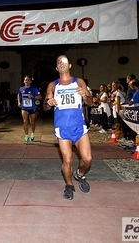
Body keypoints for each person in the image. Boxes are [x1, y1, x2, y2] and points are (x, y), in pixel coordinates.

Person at [43, 55, 93, 200]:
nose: (61, 63)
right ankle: (69, 185)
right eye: (58, 62)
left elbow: (90, 102)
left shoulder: (79, 81)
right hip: (62, 127)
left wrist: (86, 96)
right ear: (57, 68)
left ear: (69, 65)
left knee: (87, 159)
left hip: (79, 127)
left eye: (64, 61)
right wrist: (49, 102)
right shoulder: (53, 85)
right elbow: (45, 107)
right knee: (68, 160)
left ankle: (80, 174)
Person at [17, 75, 42, 143]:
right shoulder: (21, 89)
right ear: (24, 81)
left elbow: (40, 97)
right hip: (24, 107)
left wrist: (33, 96)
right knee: (25, 121)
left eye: (28, 80)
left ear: (30, 81)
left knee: (32, 122)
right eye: (26, 80)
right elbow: (18, 95)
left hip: (32, 108)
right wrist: (19, 102)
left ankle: (33, 133)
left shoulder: (34, 89)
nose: (27, 81)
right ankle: (26, 136)